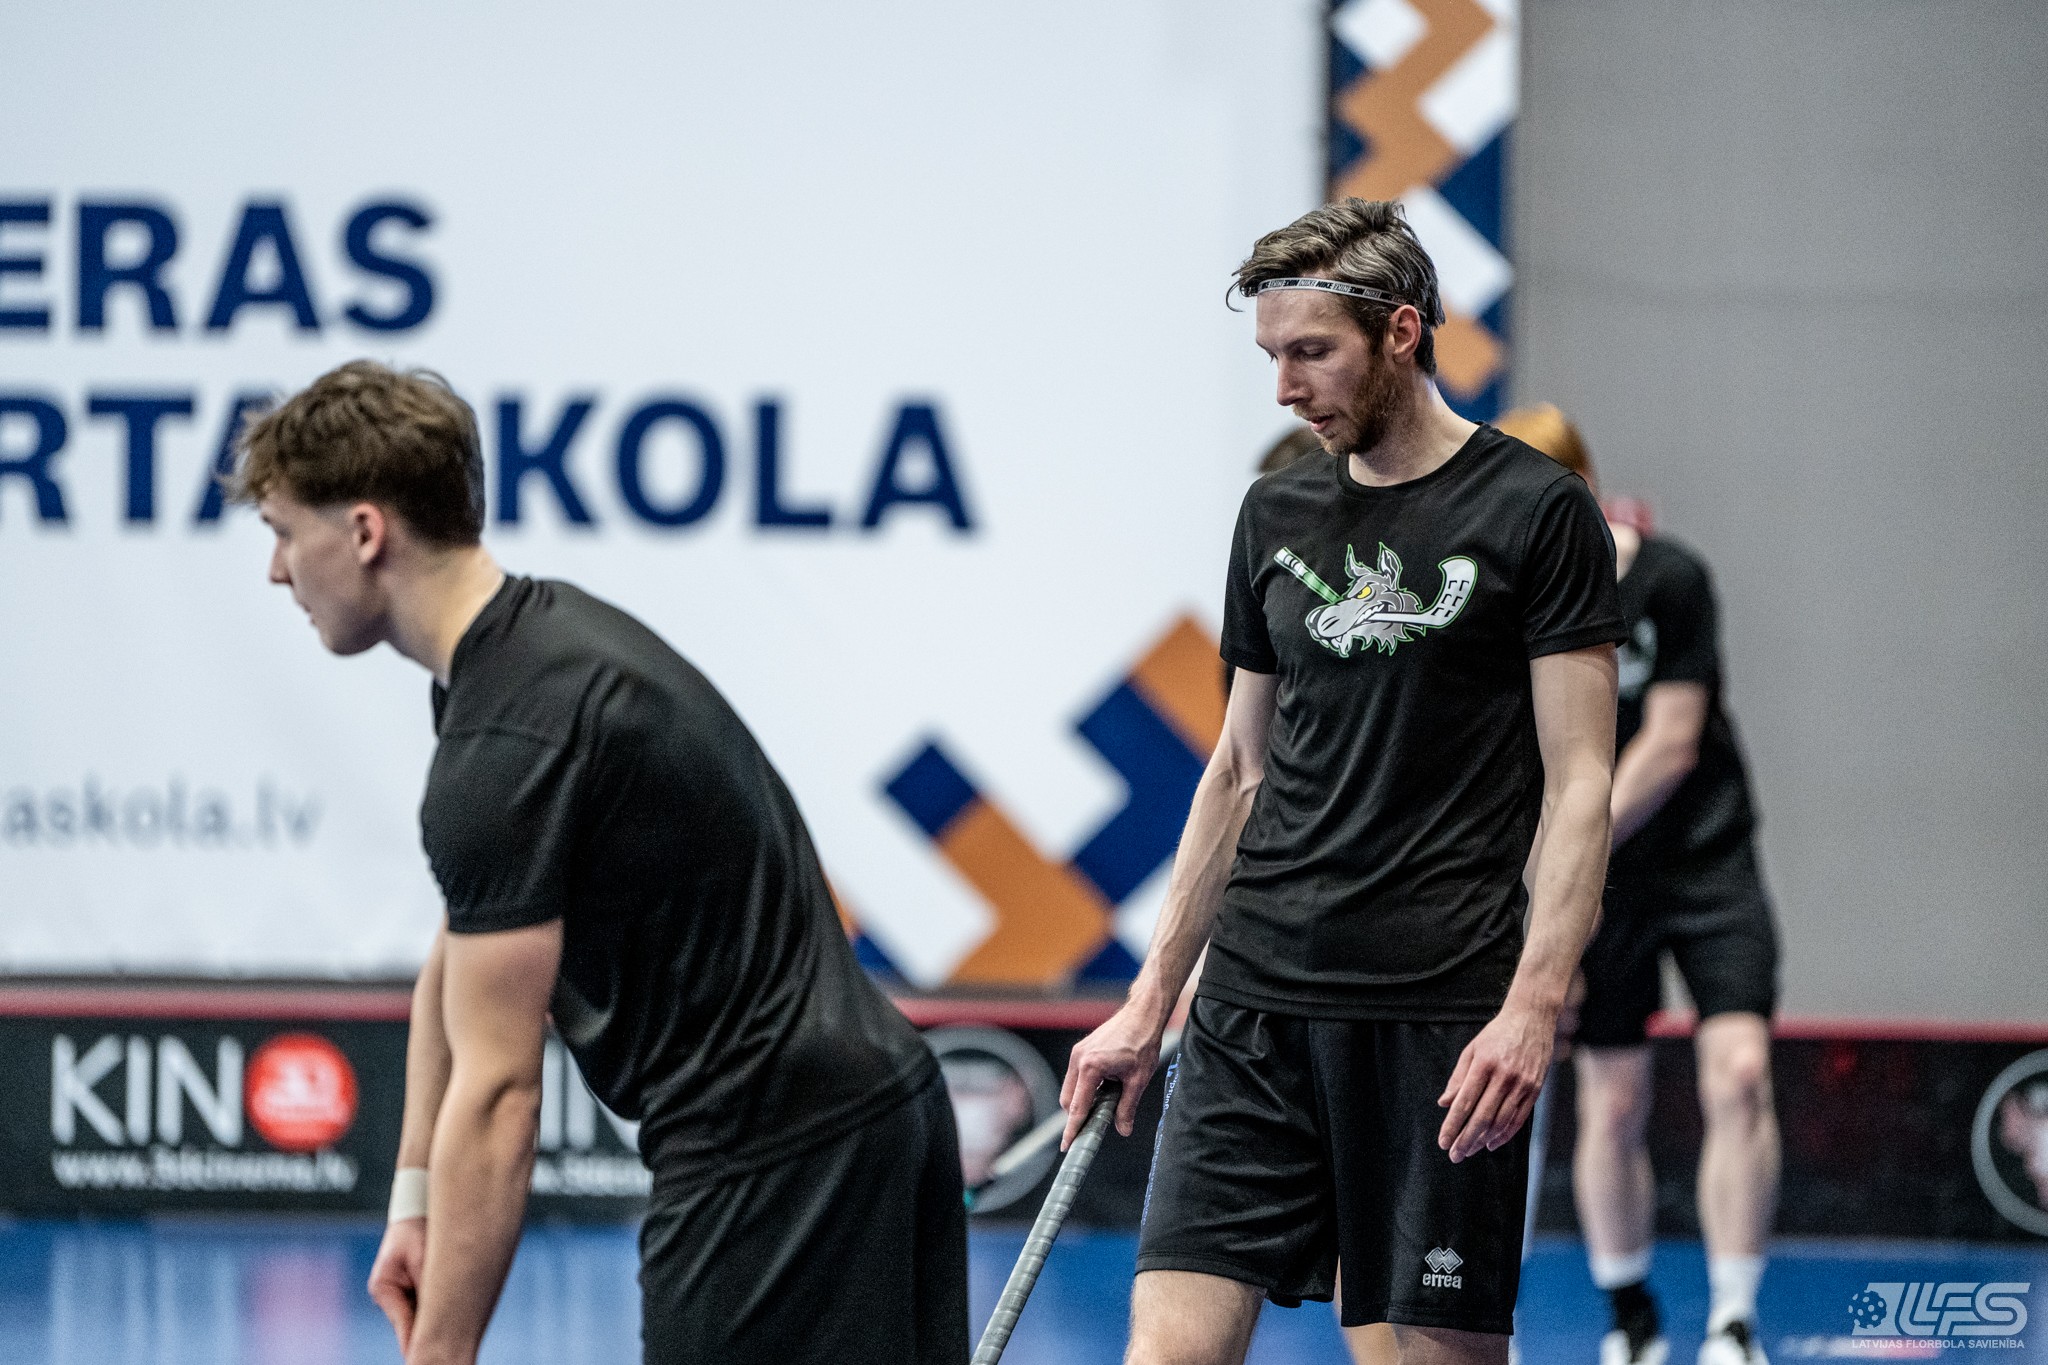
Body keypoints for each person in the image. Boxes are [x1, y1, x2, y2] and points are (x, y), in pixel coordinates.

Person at [231, 361, 965, 1365]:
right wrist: (417, 1199)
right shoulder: (525, 658)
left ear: (364, 532)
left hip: (773, 1160)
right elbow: (460, 949)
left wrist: (439, 1350)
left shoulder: (506, 742)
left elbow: (501, 1094)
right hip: (865, 1114)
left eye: (283, 532)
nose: (277, 570)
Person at [1061, 199, 1625, 1365]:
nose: (1284, 388)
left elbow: (1580, 786)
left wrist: (1528, 1009)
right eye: (1270, 356)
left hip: (1437, 1014)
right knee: (1167, 1351)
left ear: (1400, 331)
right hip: (1253, 1005)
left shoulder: (1536, 511)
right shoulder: (1273, 512)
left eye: (1310, 352)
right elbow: (1237, 770)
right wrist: (1149, 1001)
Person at [1495, 405, 1780, 1365]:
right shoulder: (1513, 606)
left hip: (1704, 863)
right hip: (1601, 885)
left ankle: (1733, 1321)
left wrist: (1571, 845)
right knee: (1612, 1103)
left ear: (1578, 485)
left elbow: (1672, 740)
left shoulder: (1670, 579)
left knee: (1739, 1073)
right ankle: (1633, 1317)